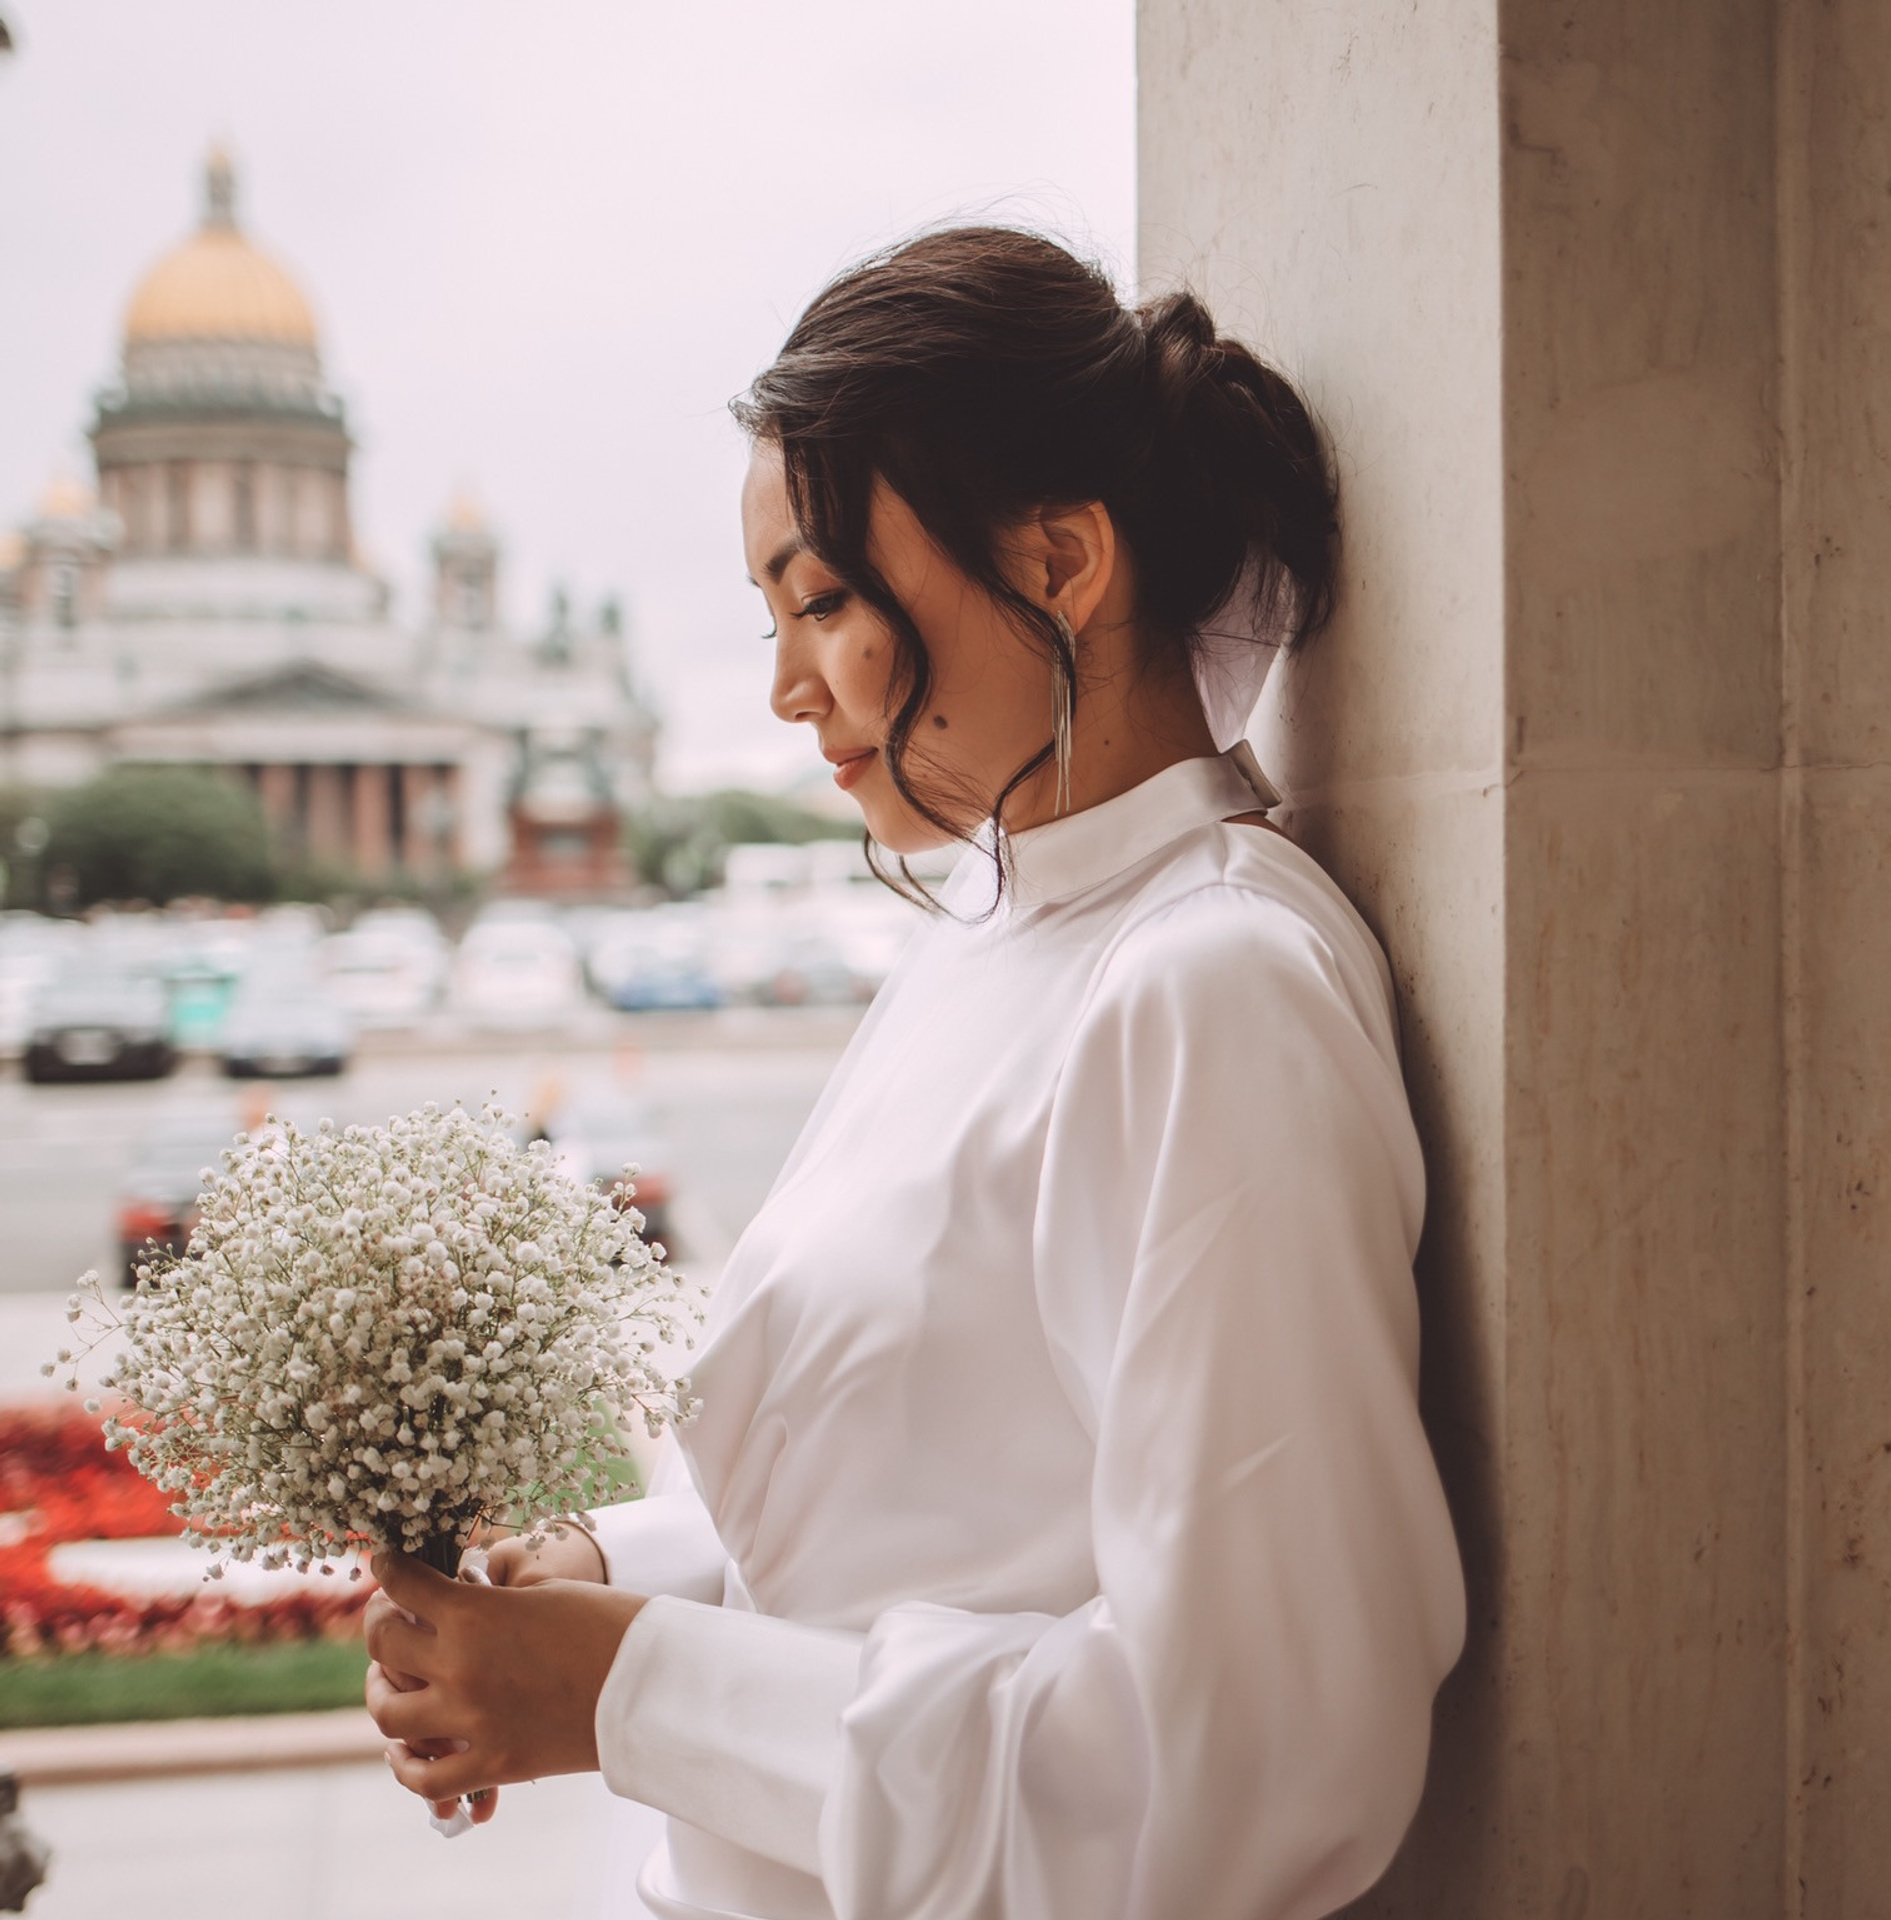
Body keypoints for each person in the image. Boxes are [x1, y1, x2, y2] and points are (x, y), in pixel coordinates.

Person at [365, 227, 1466, 1920]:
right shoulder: (997, 914)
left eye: (823, 599)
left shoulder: (1211, 986)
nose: (793, 687)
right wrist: (602, 1578)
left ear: (1065, 557)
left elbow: (1256, 1761)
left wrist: (631, 1691)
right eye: (771, 616)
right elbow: (922, 1509)